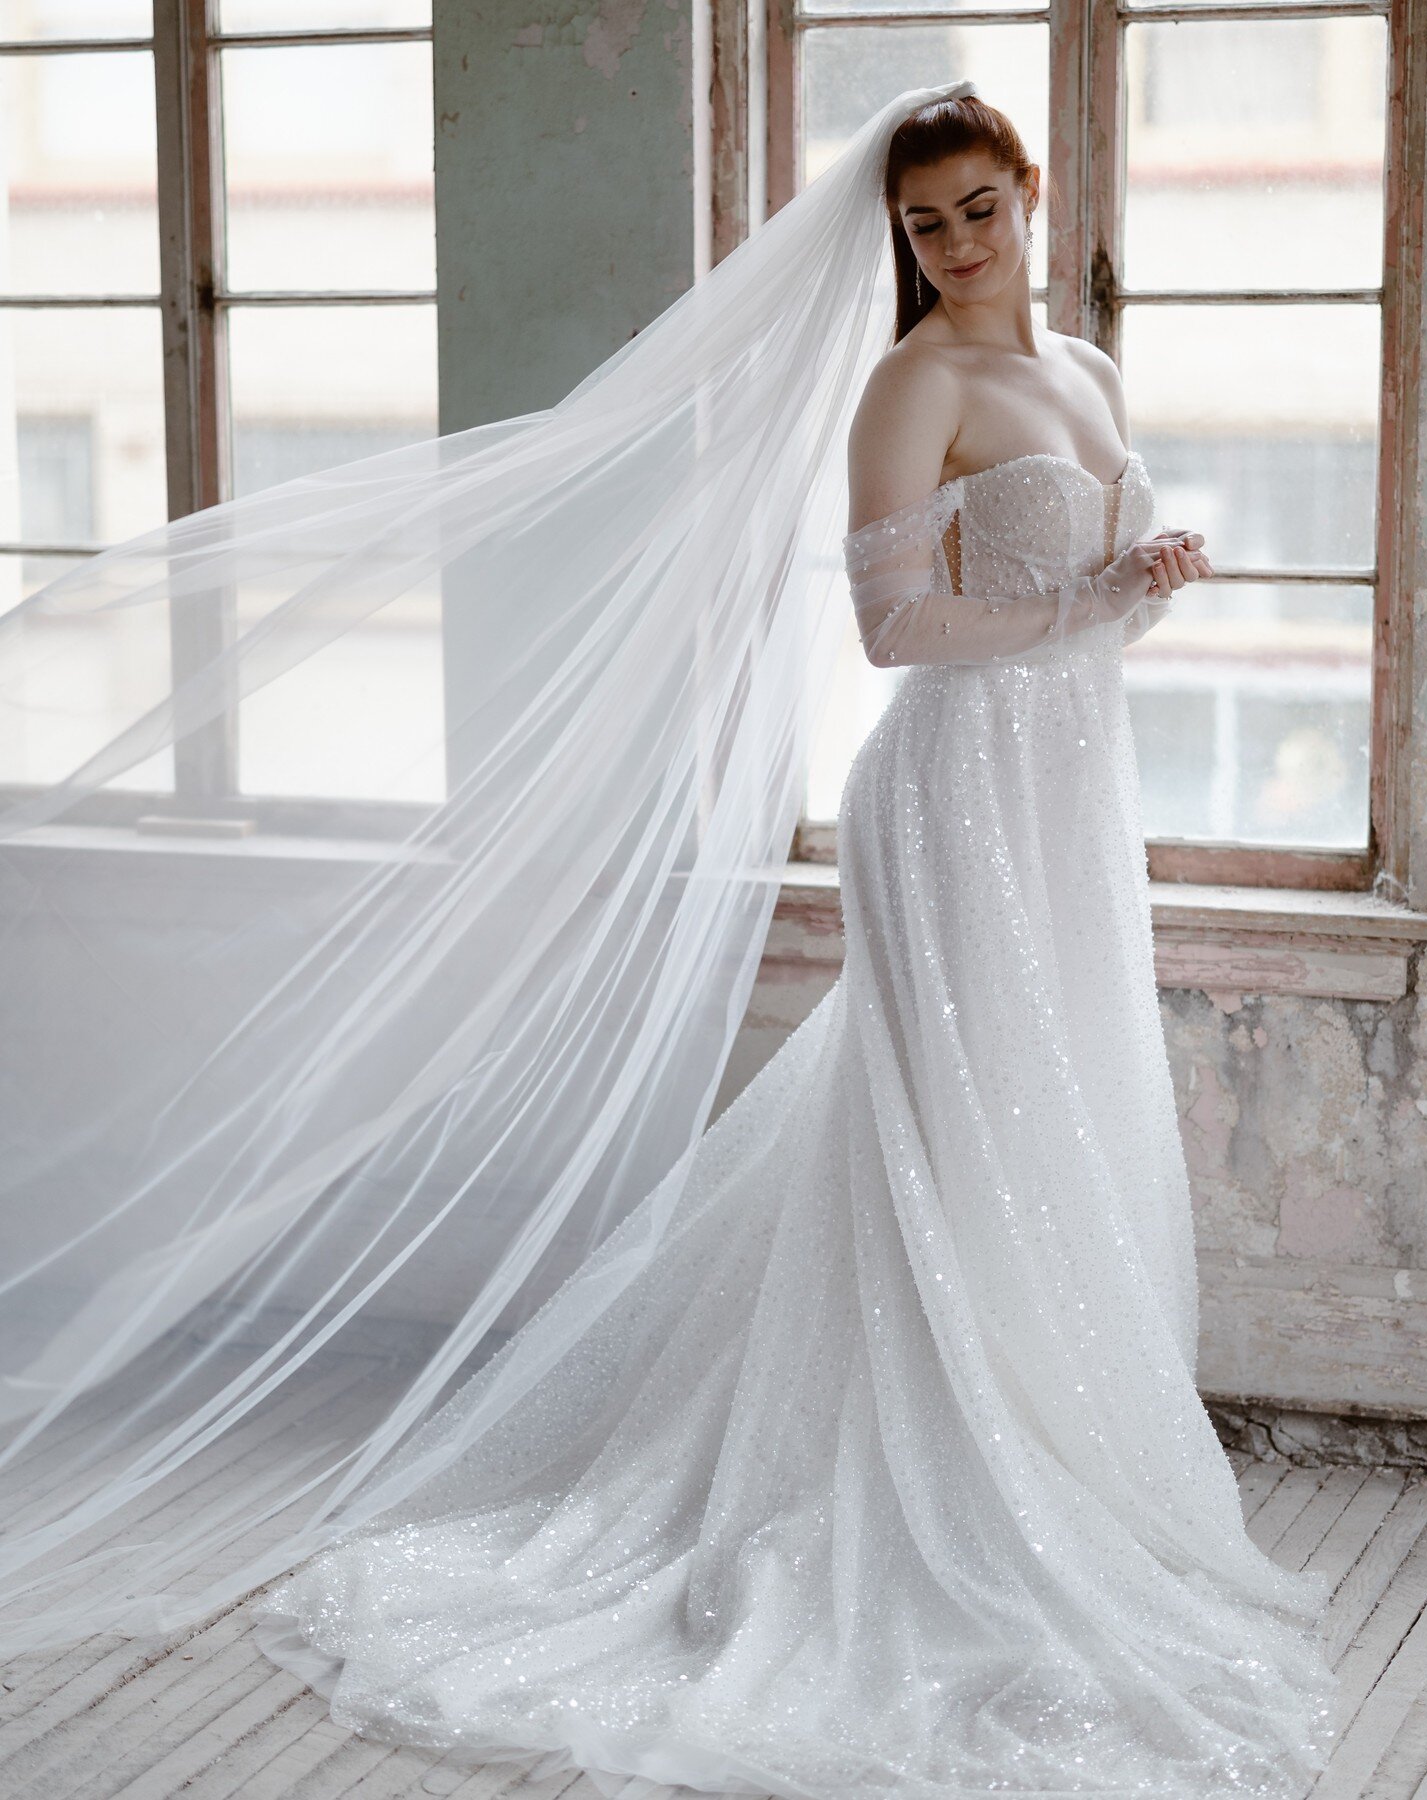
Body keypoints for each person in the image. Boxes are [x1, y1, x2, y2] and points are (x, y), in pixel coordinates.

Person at [238, 92, 1340, 1798]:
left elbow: (1093, 588)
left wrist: (1150, 573)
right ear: (901, 241)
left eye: (981, 211)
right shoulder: (916, 387)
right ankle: (927, 1485)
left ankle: (1042, 1450)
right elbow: (897, 631)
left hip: (1066, 801)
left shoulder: (1093, 379)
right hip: (956, 793)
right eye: (928, 228)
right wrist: (1086, 605)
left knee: (1052, 1125)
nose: (961, 248)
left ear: (1032, 198)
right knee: (959, 1125)